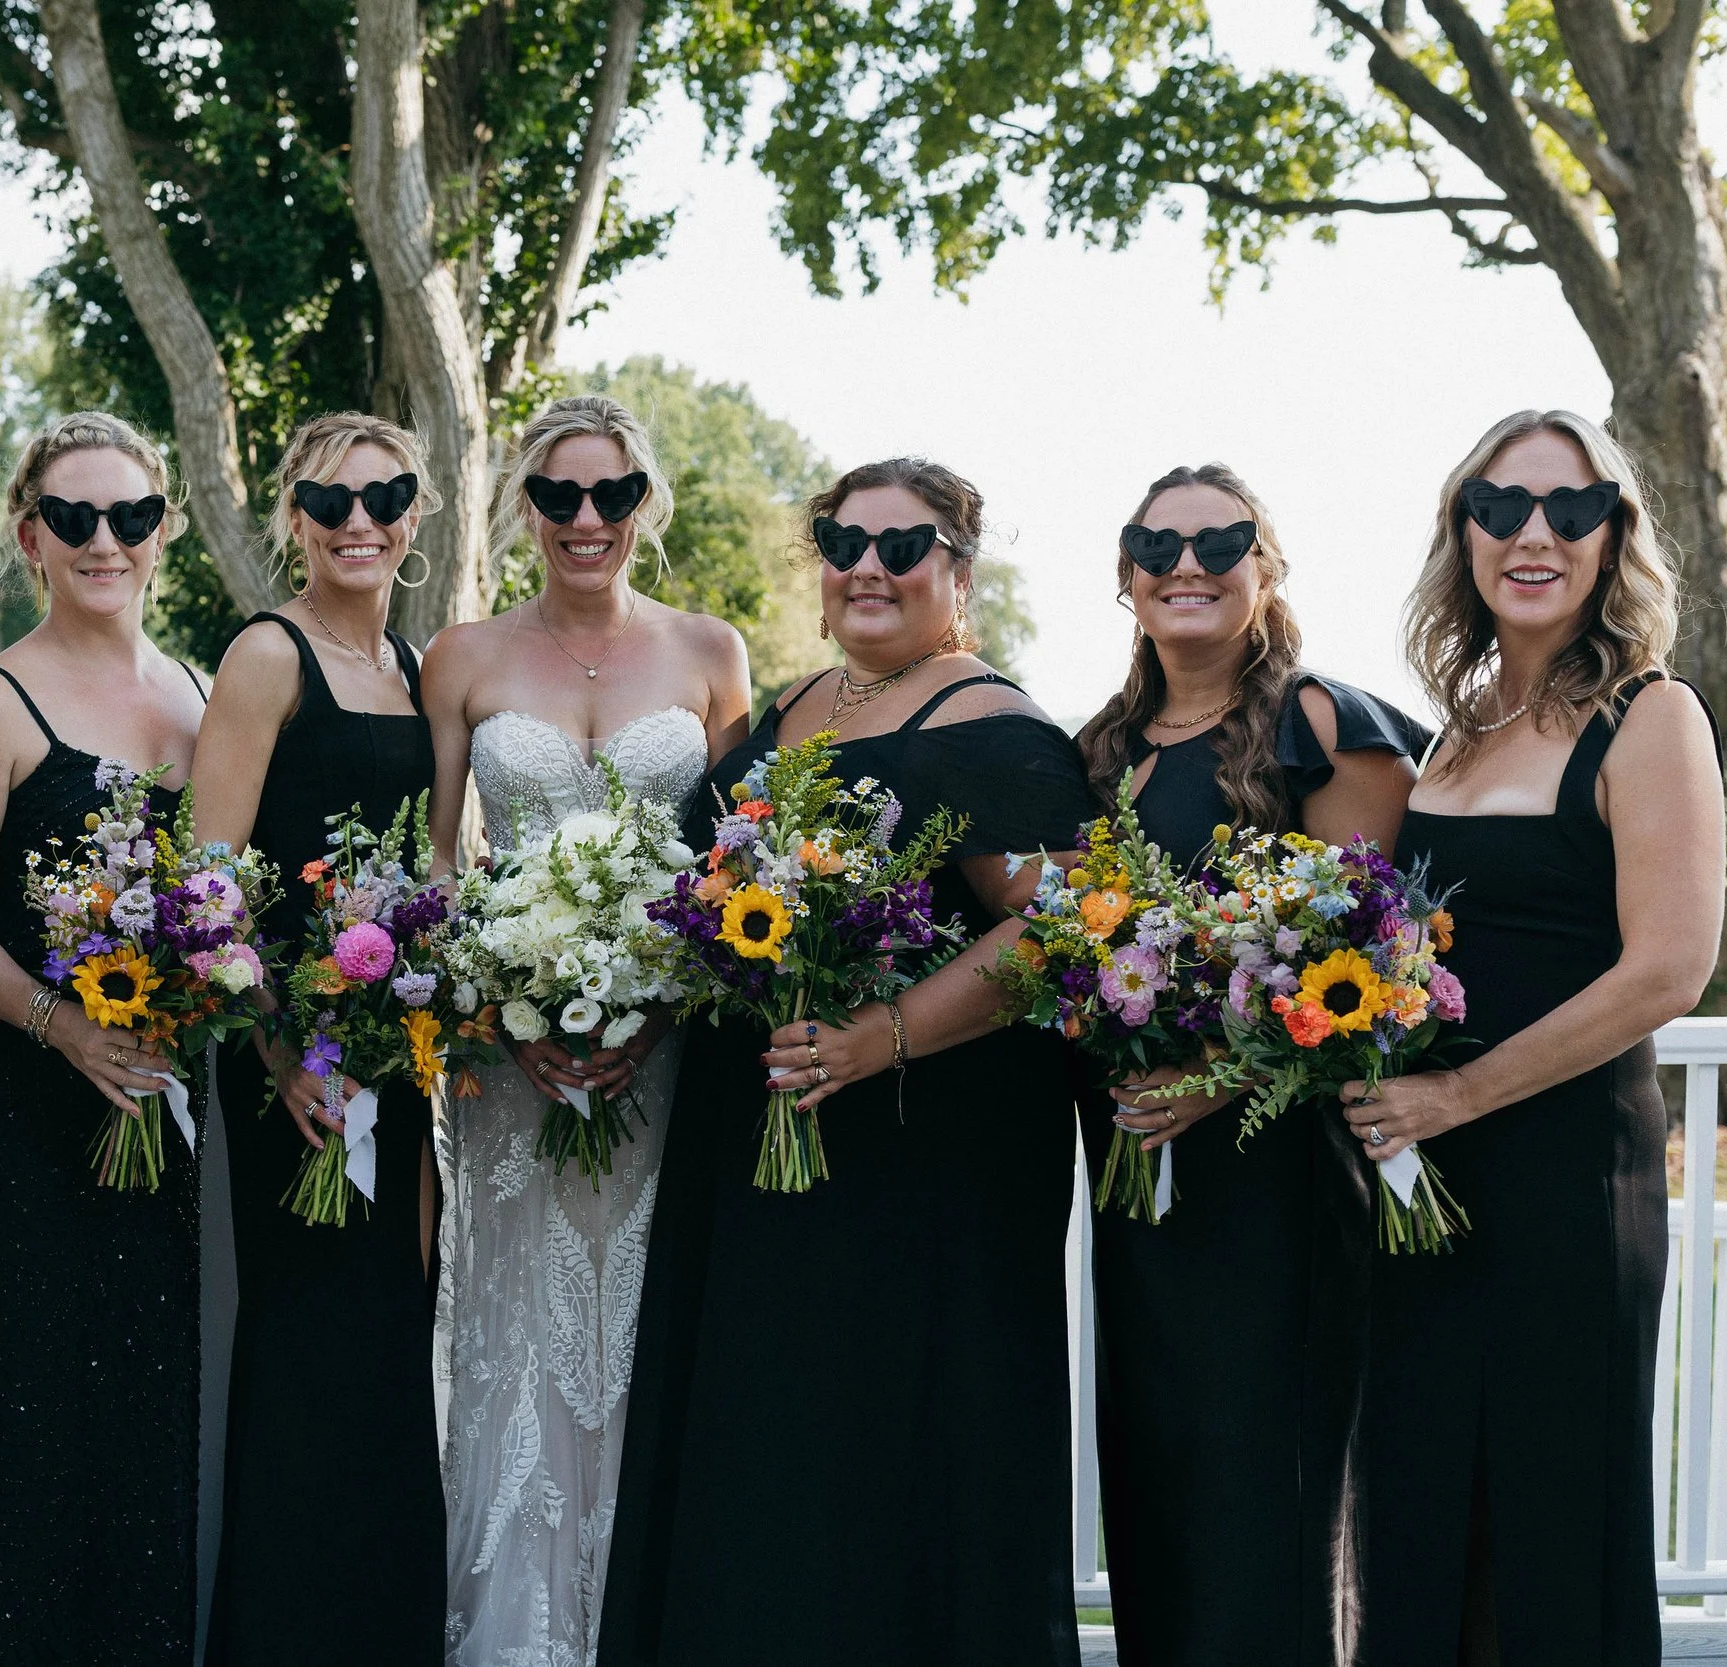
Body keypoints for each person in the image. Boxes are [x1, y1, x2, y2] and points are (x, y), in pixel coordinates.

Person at [599, 458, 1094, 1667]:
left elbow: (1060, 928)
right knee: (766, 1442)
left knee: (871, 1451)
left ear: (958, 574)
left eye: (903, 542)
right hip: (760, 1145)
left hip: (911, 1172)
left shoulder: (995, 725)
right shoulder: (791, 705)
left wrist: (885, 1034)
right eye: (843, 537)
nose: (867, 562)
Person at [1343, 410, 1722, 1664]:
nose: (1534, 535)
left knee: (1552, 1524)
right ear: (1463, 533)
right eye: (1500, 508)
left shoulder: (1649, 716)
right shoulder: (1454, 726)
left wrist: (1458, 1097)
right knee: (1416, 1509)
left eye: (1570, 509)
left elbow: (1667, 966)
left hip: (1564, 1182)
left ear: (1614, 536)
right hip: (1423, 1194)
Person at [1071, 463, 1425, 1666]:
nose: (1186, 562)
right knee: (1161, 1459)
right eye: (1155, 543)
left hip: (1276, 1171)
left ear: (1264, 570)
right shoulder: (1098, 748)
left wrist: (1220, 1075)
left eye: (1219, 540)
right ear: (1123, 577)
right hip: (1140, 1178)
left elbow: (1381, 956)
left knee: (1264, 1474)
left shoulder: (1320, 723)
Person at [423, 394, 752, 1664]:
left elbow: (743, 874)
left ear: (643, 504)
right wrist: (502, 1017)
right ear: (524, 508)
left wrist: (665, 1008)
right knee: (514, 1332)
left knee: (654, 1324)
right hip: (515, 1068)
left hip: (668, 1063)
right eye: (559, 496)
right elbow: (439, 868)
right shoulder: (462, 653)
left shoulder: (712, 653)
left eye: (611, 494)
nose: (586, 518)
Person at [0, 412, 210, 1663]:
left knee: (145, 1398)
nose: (104, 541)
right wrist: (60, 1022)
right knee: (28, 1398)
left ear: (163, 533)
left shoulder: (199, 689)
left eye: (130, 516)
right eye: (75, 519)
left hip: (152, 1090)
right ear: (31, 536)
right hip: (19, 1094)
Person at [193, 411, 447, 1663]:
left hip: (403, 1066)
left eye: (384, 495)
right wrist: (277, 1051)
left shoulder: (415, 665)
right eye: (330, 499)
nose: (359, 520)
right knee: (312, 1369)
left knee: (398, 1358)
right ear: (291, 516)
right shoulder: (266, 656)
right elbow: (206, 885)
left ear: (418, 509)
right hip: (297, 1074)